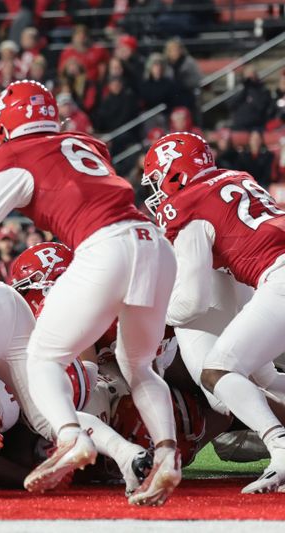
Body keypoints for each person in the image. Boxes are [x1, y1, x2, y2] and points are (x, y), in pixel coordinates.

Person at [0, 80, 179, 506]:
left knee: (43, 357)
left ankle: (69, 436)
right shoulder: (82, 144)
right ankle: (168, 456)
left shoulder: (14, 156)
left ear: (4, 126)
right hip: (154, 243)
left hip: (107, 245)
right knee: (139, 366)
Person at [142, 132, 285, 493]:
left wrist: (151, 317)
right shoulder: (237, 178)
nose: (158, 192)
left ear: (176, 175)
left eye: (159, 180)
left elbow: (192, 301)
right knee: (263, 376)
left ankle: (281, 449)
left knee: (219, 370)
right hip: (273, 274)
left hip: (279, 274)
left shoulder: (189, 204)